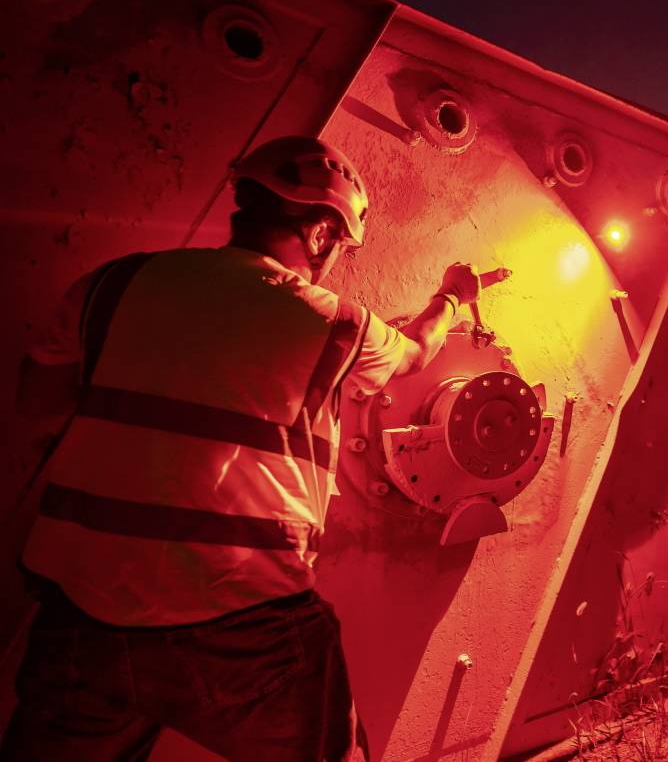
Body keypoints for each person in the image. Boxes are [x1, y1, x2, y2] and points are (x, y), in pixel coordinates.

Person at [0, 136, 479, 761]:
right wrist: (451, 295)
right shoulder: (333, 322)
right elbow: (415, 351)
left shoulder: (109, 286)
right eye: (338, 244)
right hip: (245, 625)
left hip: (81, 614)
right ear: (318, 232)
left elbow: (37, 409)